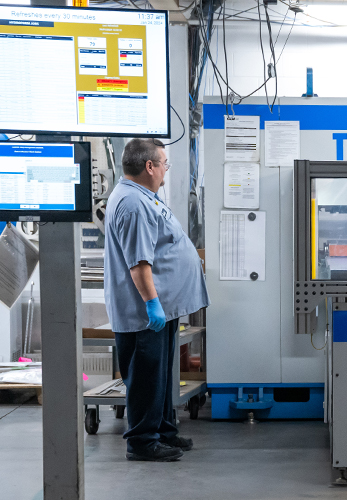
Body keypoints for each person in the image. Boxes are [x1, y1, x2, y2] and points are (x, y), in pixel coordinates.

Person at [104, 139, 209, 461]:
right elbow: (139, 263)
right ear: (149, 166)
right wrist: (152, 303)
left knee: (160, 375)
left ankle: (163, 431)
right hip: (145, 312)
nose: (166, 169)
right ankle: (142, 442)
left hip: (163, 306)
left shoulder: (143, 197)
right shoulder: (133, 203)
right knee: (146, 377)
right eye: (164, 163)